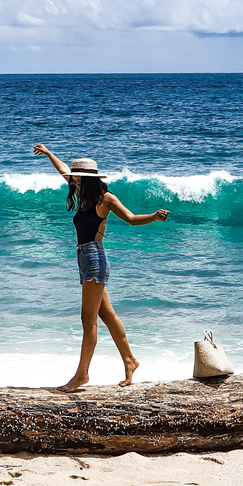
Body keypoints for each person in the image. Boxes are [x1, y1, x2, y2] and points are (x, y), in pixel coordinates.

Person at [33, 144, 170, 393]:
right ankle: (130, 361)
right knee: (106, 315)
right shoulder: (81, 192)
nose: (71, 178)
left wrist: (154, 216)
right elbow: (63, 170)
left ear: (86, 178)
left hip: (95, 259)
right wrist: (50, 153)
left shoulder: (105, 199)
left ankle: (82, 375)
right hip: (85, 259)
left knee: (89, 321)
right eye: (73, 176)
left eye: (76, 176)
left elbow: (130, 218)